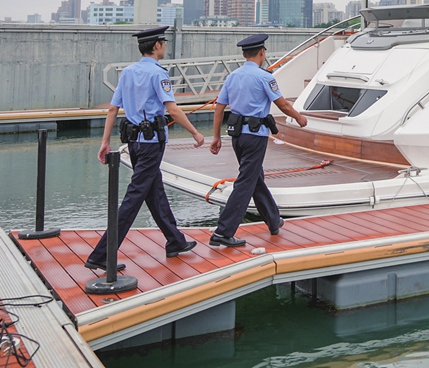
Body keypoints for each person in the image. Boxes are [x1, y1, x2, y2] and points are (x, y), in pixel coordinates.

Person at [85, 26, 205, 272]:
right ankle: (100, 255)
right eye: (163, 42)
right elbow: (172, 109)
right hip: (152, 144)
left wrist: (105, 141)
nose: (165, 46)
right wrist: (195, 132)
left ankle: (175, 241)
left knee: (154, 191)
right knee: (134, 198)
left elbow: (112, 109)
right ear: (157, 45)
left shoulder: (128, 73)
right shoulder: (158, 74)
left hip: (134, 142)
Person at [208, 34, 308, 248]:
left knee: (254, 177)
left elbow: (219, 108)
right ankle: (223, 232)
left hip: (236, 136)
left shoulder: (232, 77)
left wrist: (216, 137)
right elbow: (283, 105)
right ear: (262, 53)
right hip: (255, 136)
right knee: (246, 181)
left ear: (244, 54)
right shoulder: (265, 77)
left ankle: (273, 220)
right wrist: (299, 118)